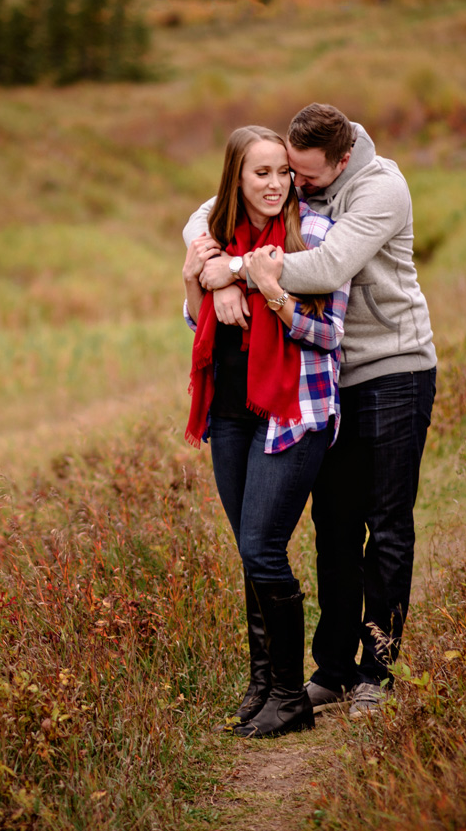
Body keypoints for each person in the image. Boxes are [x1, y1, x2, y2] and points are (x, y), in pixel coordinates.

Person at [185, 104, 437, 718]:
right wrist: (211, 273)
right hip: (326, 381)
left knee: (387, 524)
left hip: (390, 368)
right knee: (334, 526)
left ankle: (379, 670)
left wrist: (234, 271)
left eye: (304, 177)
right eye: (285, 173)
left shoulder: (381, 189)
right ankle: (332, 668)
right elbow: (208, 210)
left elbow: (324, 269)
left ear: (341, 160)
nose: (292, 185)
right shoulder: (304, 170)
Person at [183, 125, 349, 738]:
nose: (277, 184)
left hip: (293, 414)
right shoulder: (214, 244)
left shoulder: (318, 237)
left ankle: (291, 694)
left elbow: (333, 337)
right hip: (229, 412)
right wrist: (208, 278)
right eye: (262, 174)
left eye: (284, 172)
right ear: (237, 179)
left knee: (261, 547)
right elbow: (192, 318)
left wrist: (271, 291)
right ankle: (263, 683)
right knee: (251, 554)